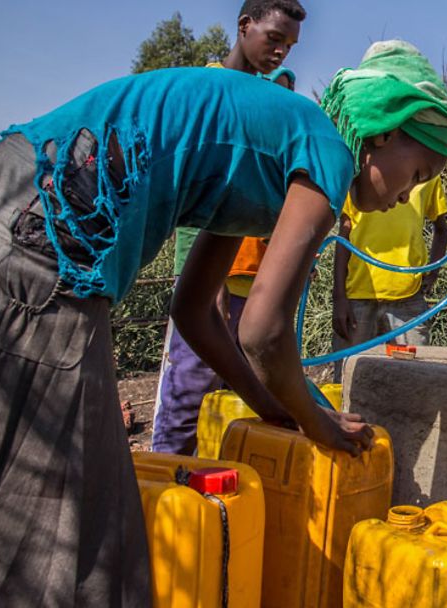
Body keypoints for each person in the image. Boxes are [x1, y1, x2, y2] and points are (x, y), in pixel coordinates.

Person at [0, 40, 447, 606]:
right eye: (417, 173)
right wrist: (314, 421)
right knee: (72, 527)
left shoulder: (275, 153)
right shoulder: (328, 153)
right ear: (383, 132)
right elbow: (264, 329)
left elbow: (194, 311)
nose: (408, 196)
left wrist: (274, 408)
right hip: (35, 244)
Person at [152, 0, 304, 456]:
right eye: (274, 40)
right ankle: (163, 479)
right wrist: (202, 279)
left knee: (238, 382)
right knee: (187, 384)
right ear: (244, 27)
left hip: (246, 273)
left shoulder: (260, 100)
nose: (280, 52)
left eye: (289, 46)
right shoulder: (207, 89)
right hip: (206, 272)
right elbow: (193, 192)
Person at [331, 175, 447, 382]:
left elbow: (441, 229)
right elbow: (344, 236)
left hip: (407, 298)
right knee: (348, 376)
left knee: (414, 377)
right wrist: (339, 297)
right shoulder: (359, 174)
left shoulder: (427, 174)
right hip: (358, 296)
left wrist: (434, 270)